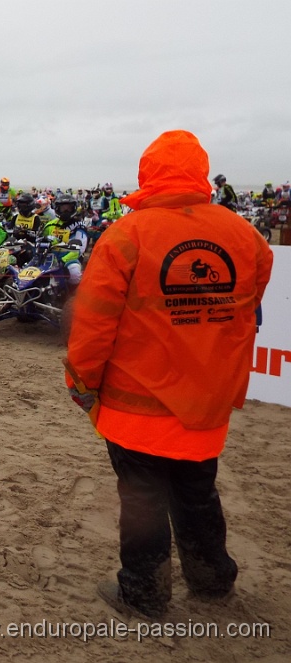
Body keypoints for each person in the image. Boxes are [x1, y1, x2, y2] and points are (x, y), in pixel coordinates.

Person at [65, 130, 273, 619]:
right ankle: (212, 579)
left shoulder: (127, 234)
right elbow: (249, 303)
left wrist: (81, 382)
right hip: (207, 400)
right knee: (199, 492)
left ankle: (143, 593)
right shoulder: (245, 235)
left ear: (147, 173)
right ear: (201, 172)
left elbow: (93, 324)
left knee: (142, 500)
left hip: (136, 403)